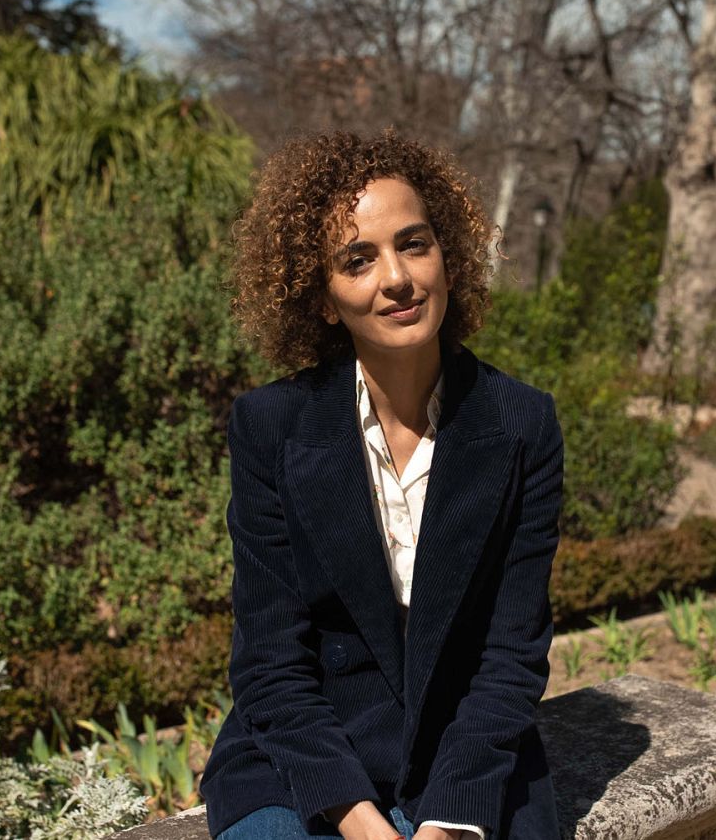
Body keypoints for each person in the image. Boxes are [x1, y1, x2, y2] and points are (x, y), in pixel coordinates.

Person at [200, 131, 562, 840]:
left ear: (448, 260)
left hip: (467, 755)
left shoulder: (522, 425)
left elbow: (511, 654)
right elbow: (271, 660)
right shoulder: (271, 427)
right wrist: (359, 820)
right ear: (325, 298)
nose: (395, 278)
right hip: (303, 755)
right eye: (357, 260)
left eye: (414, 244)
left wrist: (449, 820)